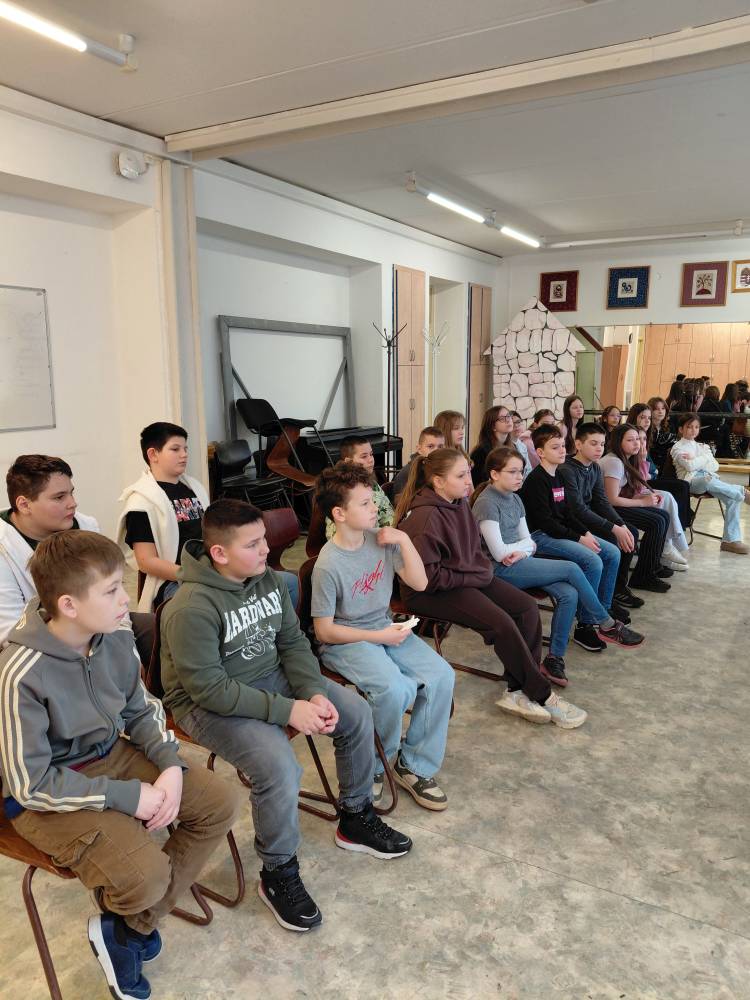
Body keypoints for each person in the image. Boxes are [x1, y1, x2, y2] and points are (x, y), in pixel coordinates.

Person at [0, 530, 241, 1000]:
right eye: (111, 590)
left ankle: (126, 930)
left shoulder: (113, 634)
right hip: (45, 795)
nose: (124, 597)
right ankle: (134, 914)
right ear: (69, 605)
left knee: (220, 801)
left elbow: (140, 707)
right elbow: (29, 784)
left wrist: (169, 765)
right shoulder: (19, 672)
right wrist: (129, 797)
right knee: (144, 876)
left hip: (112, 755)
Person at [160, 498, 413, 934]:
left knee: (354, 711)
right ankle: (277, 872)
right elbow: (210, 689)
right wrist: (290, 710)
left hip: (270, 677)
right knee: (278, 766)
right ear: (219, 553)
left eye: (263, 539)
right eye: (252, 544)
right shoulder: (190, 608)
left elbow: (293, 643)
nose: (267, 549)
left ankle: (355, 817)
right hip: (206, 704)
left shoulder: (268, 581)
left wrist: (312, 691)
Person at [394, 447, 587, 729]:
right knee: (501, 624)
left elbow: (474, 551)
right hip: (428, 592)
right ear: (438, 481)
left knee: (526, 608)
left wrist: (478, 572)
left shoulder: (458, 502)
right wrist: (473, 575)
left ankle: (517, 691)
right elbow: (428, 578)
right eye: (461, 476)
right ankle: (542, 693)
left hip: (462, 578)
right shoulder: (425, 518)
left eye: (468, 473)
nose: (469, 481)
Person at [312, 463, 454, 810]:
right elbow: (324, 630)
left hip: (384, 628)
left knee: (442, 676)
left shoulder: (382, 540)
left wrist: (403, 539)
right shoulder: (328, 565)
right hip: (346, 641)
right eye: (364, 503)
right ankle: (375, 767)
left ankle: (414, 765)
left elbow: (419, 582)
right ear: (339, 513)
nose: (375, 506)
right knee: (395, 689)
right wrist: (378, 635)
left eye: (372, 499)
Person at [472, 447, 642, 685]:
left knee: (569, 594)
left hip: (519, 562)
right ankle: (606, 624)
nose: (519, 477)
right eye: (512, 472)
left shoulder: (515, 498)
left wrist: (520, 550)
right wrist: (521, 549)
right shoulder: (487, 503)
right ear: (494, 474)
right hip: (498, 570)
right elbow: (499, 554)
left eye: (521, 471)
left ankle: (553, 659)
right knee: (571, 568)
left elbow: (530, 543)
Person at [118, 422, 299, 612]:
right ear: (153, 454)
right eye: (175, 449)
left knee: (289, 583)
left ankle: (272, 630)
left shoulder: (194, 487)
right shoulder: (142, 502)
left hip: (218, 568)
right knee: (220, 606)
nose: (184, 454)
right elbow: (146, 561)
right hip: (177, 580)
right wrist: (195, 575)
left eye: (185, 448)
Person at [0, 454, 154, 661]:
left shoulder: (87, 526)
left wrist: (125, 648)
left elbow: (114, 593)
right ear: (24, 505)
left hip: (98, 625)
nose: (73, 503)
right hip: (43, 645)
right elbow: (10, 631)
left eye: (71, 493)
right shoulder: (4, 546)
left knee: (153, 627)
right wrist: (81, 655)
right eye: (59, 497)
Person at [520, 425, 628, 652]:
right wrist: (579, 538)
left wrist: (585, 533)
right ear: (540, 452)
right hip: (540, 537)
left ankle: (602, 612)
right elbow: (546, 523)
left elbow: (568, 513)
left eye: (562, 446)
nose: (562, 451)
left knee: (611, 552)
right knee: (593, 560)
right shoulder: (536, 480)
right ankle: (585, 625)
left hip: (559, 532)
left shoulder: (558, 474)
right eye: (555, 447)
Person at [557, 422, 644, 612]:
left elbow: (602, 502)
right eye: (593, 443)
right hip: (573, 522)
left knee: (630, 532)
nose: (599, 448)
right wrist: (613, 528)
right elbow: (577, 509)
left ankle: (616, 589)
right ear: (578, 444)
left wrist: (620, 524)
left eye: (602, 444)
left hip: (588, 517)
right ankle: (604, 599)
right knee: (613, 540)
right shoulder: (566, 469)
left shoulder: (595, 468)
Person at [598, 424, 675, 589]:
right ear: (618, 442)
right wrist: (643, 502)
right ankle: (643, 576)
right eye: (630, 440)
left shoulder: (626, 459)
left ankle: (650, 568)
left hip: (613, 505)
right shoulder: (613, 461)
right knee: (656, 521)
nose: (637, 443)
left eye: (638, 439)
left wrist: (644, 497)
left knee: (663, 516)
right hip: (604, 508)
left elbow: (627, 492)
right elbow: (611, 499)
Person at [671, 414, 750, 555]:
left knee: (732, 499)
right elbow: (689, 467)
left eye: (696, 427)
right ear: (681, 429)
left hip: (709, 480)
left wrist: (697, 458)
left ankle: (730, 541)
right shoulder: (677, 447)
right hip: (690, 482)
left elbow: (715, 466)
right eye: (689, 427)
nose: (693, 430)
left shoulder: (702, 446)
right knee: (708, 479)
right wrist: (705, 458)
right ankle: (741, 492)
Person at [629, 402, 691, 529]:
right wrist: (652, 472)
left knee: (683, 484)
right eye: (642, 417)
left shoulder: (646, 435)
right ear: (634, 417)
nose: (647, 421)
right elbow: (642, 472)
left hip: (649, 476)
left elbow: (650, 466)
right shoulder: (632, 439)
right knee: (679, 487)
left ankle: (682, 523)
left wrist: (653, 472)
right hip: (640, 482)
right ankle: (679, 526)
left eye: (649, 418)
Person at [324, 436, 393, 539]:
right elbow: (337, 536)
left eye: (371, 454)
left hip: (380, 541)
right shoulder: (339, 490)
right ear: (348, 461)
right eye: (364, 456)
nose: (371, 460)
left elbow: (389, 517)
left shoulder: (373, 484)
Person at [470, 405, 530, 487]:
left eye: (508, 416)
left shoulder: (513, 447)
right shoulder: (481, 452)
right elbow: (478, 483)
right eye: (502, 418)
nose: (508, 420)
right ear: (492, 426)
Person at [390, 425, 445, 500]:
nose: (436, 451)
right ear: (419, 449)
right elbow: (402, 503)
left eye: (440, 447)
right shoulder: (410, 472)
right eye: (430, 446)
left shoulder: (442, 467)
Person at [646, 396, 677, 474]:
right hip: (649, 465)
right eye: (657, 409)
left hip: (667, 464)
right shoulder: (646, 427)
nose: (661, 412)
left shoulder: (670, 426)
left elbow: (673, 446)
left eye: (663, 408)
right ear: (650, 411)